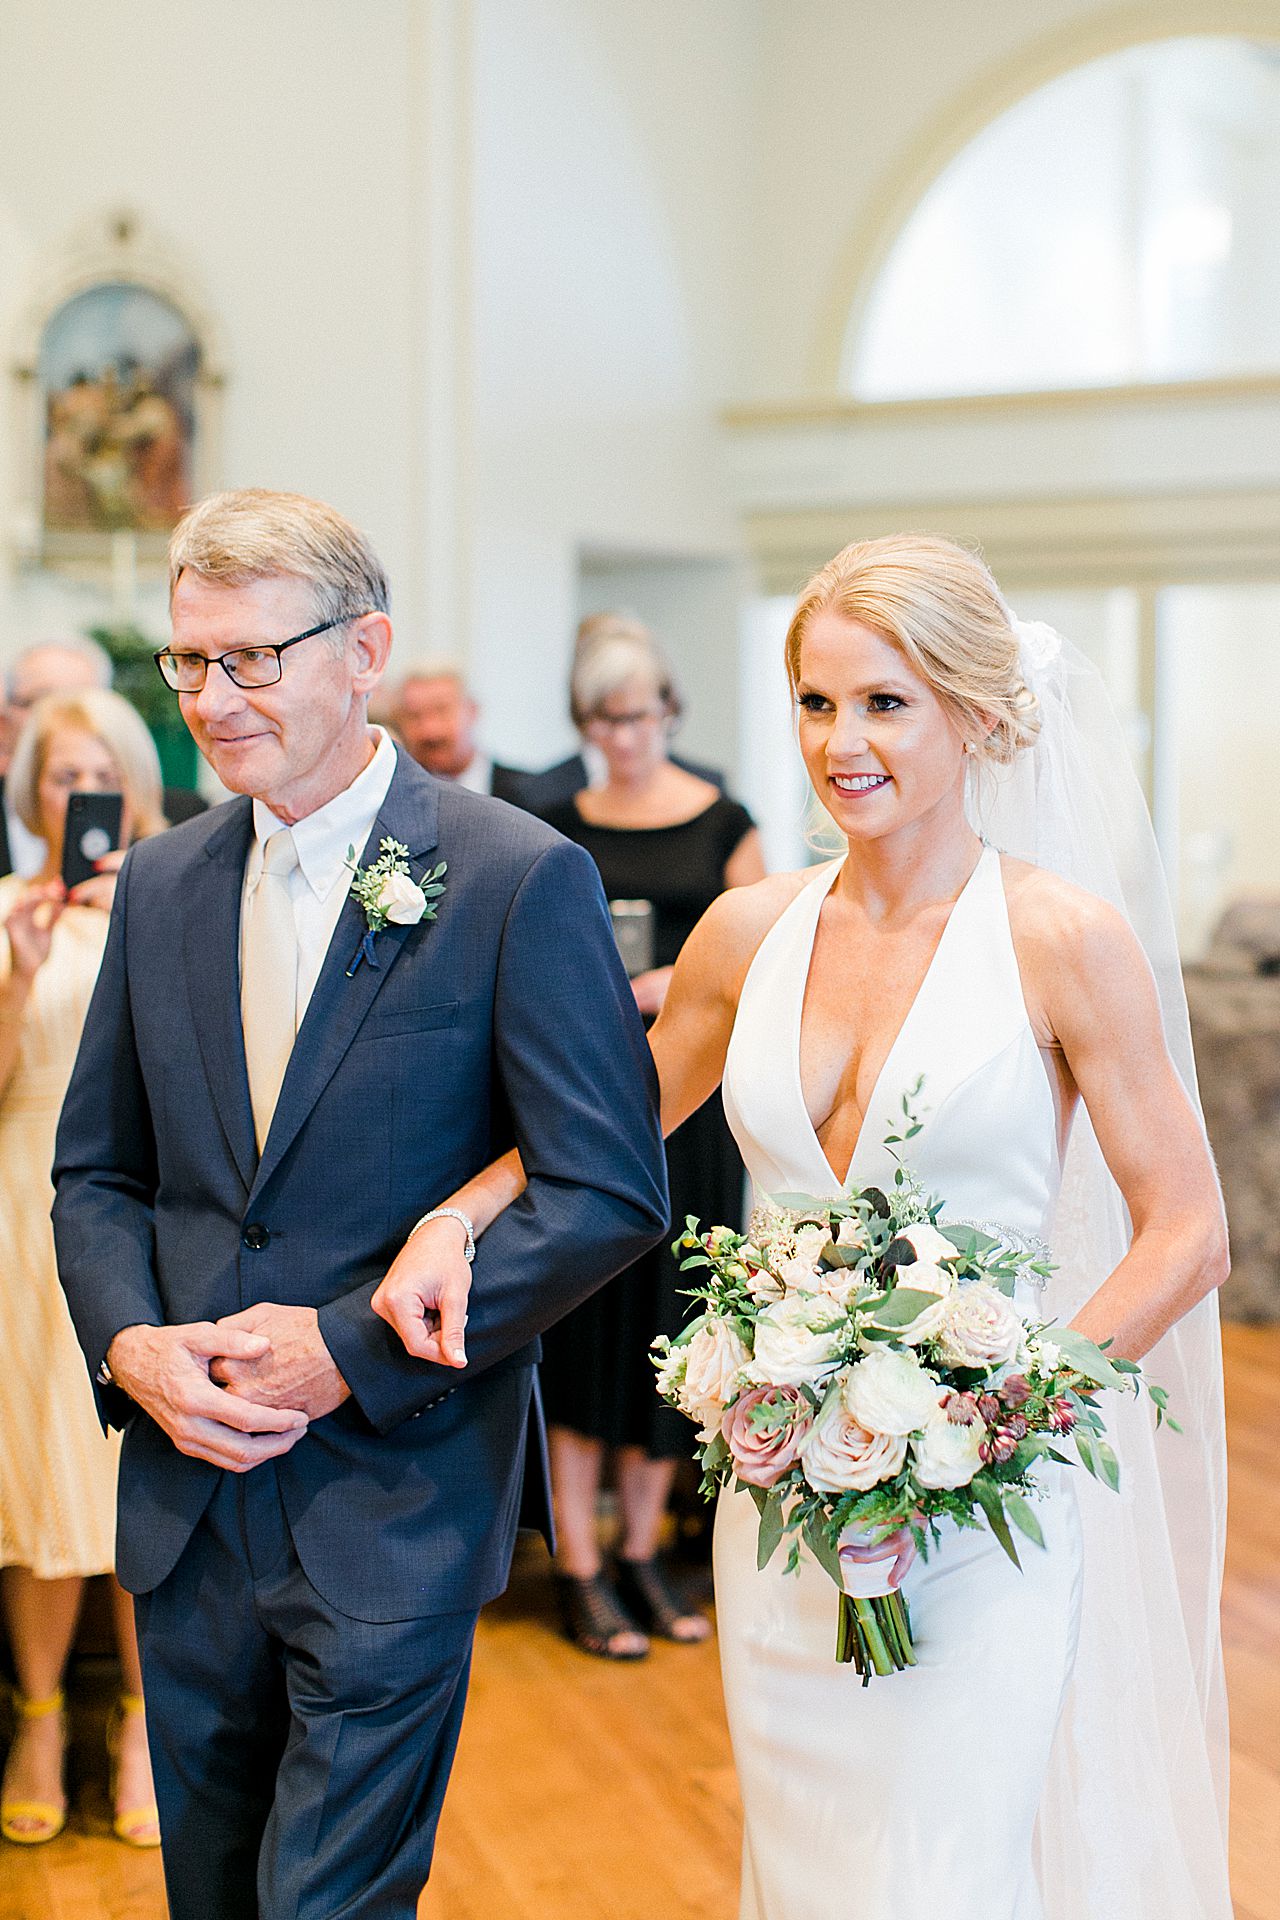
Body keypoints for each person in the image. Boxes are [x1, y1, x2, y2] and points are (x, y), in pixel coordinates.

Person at [374, 534, 1232, 1920]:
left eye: (885, 703)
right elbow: (600, 1136)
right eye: (817, 703)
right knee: (810, 1871)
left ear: (978, 713)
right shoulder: (745, 932)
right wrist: (454, 1221)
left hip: (986, 1511)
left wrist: (1003, 1405)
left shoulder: (1062, 938)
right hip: (783, 1504)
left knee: (942, 1881)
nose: (844, 744)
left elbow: (1189, 1233)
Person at [51, 487, 668, 1920]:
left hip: (396, 1493)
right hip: (189, 1496)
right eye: (188, 662)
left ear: (361, 649)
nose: (209, 699)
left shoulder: (517, 877)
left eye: (250, 658)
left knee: (330, 1903)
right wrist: (131, 1345)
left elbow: (605, 1189)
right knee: (209, 1890)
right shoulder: (158, 884)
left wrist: (350, 1347)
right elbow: (99, 1173)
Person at [537, 630, 764, 1657]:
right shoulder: (552, 825)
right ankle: (578, 1567)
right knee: (583, 1331)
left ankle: (641, 1550)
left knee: (674, 1331)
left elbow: (768, 953)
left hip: (693, 1104)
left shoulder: (726, 822)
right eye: (599, 719)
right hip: (588, 1096)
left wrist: (685, 982)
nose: (619, 737)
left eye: (634, 715)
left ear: (669, 709)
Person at [1, 688, 166, 1849]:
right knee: (39, 1477)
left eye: (98, 772)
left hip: (148, 1219)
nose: (79, 794)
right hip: (21, 1208)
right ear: (31, 792)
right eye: (61, 776)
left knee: (139, 1480)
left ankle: (151, 1726)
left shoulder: (173, 907)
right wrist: (18, 973)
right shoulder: (7, 909)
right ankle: (42, 1716)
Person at [0, 637, 205, 879]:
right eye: (66, 777)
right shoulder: (12, 904)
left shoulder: (188, 825)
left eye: (109, 779)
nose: (87, 790)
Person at [514, 612, 726, 817]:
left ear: (666, 706)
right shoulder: (539, 798)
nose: (622, 739)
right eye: (607, 719)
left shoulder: (709, 794)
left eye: (636, 717)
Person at [379, 663, 531, 801]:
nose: (430, 731)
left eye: (441, 711)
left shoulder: (529, 793)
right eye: (414, 716)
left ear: (472, 711)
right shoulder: (390, 795)